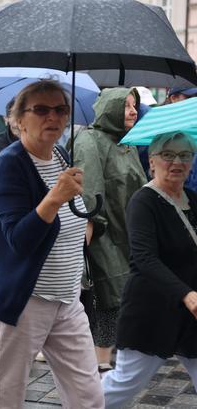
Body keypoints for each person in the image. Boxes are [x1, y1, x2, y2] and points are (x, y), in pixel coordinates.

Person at [0, 80, 103, 408]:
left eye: (60, 109)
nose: (53, 117)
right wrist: (54, 197)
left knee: (88, 396)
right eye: (41, 110)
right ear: (19, 119)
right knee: (3, 398)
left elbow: (73, 223)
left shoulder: (62, 156)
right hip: (24, 300)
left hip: (67, 298)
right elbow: (19, 240)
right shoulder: (10, 164)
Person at [102, 131, 197, 407]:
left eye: (185, 155)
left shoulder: (192, 198)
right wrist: (186, 294)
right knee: (124, 383)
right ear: (152, 161)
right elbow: (145, 259)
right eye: (168, 155)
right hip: (152, 311)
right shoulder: (143, 202)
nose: (177, 162)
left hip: (191, 316)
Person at [72, 88, 147, 371]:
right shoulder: (91, 140)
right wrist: (84, 245)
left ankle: (108, 362)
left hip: (127, 236)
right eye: (126, 105)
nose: (132, 110)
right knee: (109, 300)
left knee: (119, 300)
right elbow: (90, 196)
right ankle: (100, 368)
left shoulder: (126, 143)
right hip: (104, 236)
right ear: (111, 108)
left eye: (134, 105)